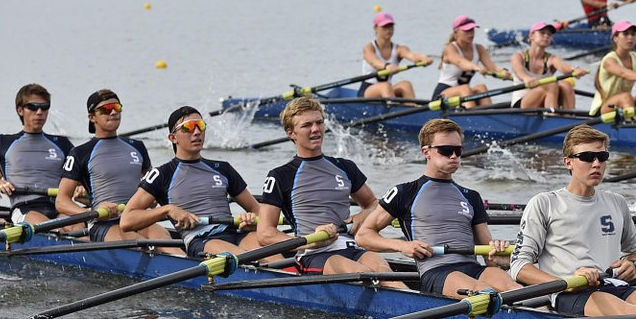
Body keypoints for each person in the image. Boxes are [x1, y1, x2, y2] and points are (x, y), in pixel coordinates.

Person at [510, 125, 636, 319]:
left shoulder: (616, 202)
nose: (596, 164)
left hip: (614, 284)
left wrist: (633, 264)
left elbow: (635, 252)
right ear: (568, 162)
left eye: (602, 157)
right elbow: (519, 267)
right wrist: (565, 284)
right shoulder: (545, 203)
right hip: (571, 293)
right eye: (587, 157)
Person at [356, 118, 519, 298]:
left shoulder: (471, 196)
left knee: (521, 293)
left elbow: (489, 256)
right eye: (446, 150)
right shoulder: (405, 192)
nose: (454, 156)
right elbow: (364, 236)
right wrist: (401, 246)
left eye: (458, 150)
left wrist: (501, 258)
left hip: (475, 268)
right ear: (426, 152)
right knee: (485, 295)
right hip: (438, 272)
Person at [259, 97, 404, 286]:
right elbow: (264, 234)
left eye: (319, 123)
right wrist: (307, 242)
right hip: (315, 254)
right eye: (307, 125)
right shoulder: (280, 176)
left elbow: (373, 204)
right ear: (291, 133)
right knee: (362, 274)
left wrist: (362, 216)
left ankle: (425, 311)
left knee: (383, 270)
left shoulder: (345, 167)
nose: (316, 129)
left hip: (351, 246)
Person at [120, 106, 262, 258]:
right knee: (244, 259)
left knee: (275, 250)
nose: (196, 132)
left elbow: (256, 208)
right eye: (188, 127)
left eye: (200, 126)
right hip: (203, 240)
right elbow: (126, 221)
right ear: (173, 138)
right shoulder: (162, 174)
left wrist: (252, 220)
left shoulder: (223, 169)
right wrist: (167, 210)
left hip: (236, 232)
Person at [57, 89, 178, 251]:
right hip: (104, 224)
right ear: (92, 117)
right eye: (106, 109)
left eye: (117, 107)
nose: (113, 112)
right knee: (137, 243)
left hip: (137, 219)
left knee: (166, 242)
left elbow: (153, 192)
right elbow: (61, 201)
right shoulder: (80, 153)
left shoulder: (137, 147)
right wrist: (93, 212)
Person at [0, 84, 77, 228]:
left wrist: (80, 187)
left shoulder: (62, 143)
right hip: (25, 208)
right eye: (33, 107)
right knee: (51, 229)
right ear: (20, 110)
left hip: (60, 207)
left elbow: (82, 179)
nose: (39, 112)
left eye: (44, 107)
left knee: (79, 228)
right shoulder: (4, 143)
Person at [433, 15, 509, 107]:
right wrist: (476, 67)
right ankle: (474, 118)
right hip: (442, 95)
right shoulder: (450, 48)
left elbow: (492, 67)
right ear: (456, 32)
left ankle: (488, 115)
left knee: (481, 87)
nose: (471, 34)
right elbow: (460, 62)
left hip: (464, 95)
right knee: (465, 89)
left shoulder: (479, 48)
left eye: (472, 30)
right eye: (466, 31)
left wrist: (503, 71)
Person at [509, 22, 587, 109]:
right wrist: (526, 78)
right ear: (531, 36)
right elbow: (518, 69)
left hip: (543, 103)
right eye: (542, 33)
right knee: (551, 84)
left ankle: (570, 117)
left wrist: (575, 69)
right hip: (522, 104)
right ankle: (553, 117)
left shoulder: (551, 58)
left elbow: (564, 67)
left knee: (566, 84)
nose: (546, 36)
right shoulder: (518, 56)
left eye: (549, 34)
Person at [360, 12, 431, 101]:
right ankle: (394, 109)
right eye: (385, 27)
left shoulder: (399, 49)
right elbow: (373, 62)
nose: (388, 30)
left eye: (390, 26)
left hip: (388, 91)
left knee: (406, 85)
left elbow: (412, 55)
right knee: (385, 86)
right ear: (375, 29)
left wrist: (423, 58)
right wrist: (386, 66)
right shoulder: (369, 48)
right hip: (368, 91)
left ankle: (410, 108)